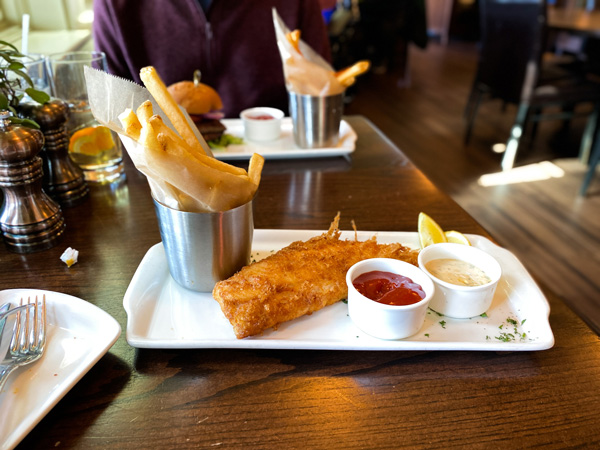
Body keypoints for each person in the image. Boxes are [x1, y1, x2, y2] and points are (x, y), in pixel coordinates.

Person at [93, 0, 332, 118]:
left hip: (280, 160)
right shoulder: (114, 6)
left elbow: (322, 96)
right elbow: (112, 115)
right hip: (160, 176)